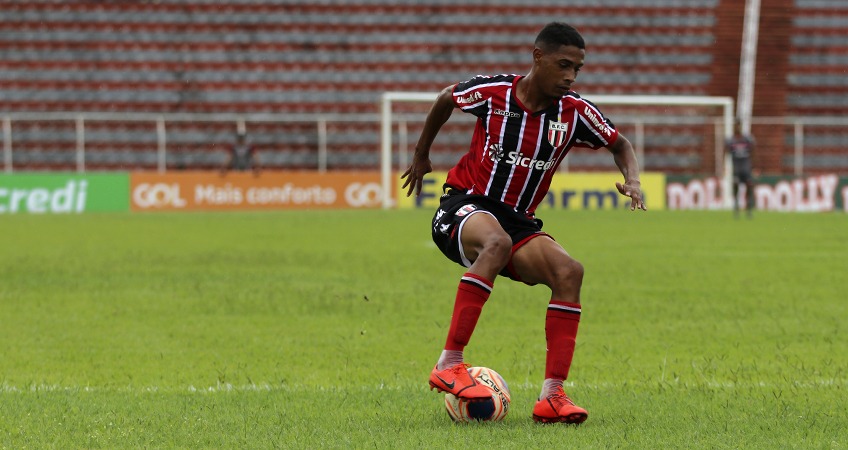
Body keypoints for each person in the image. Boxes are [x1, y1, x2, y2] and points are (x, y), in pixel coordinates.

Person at [401, 22, 646, 425]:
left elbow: (621, 144)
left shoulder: (575, 113)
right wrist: (421, 155)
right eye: (563, 65)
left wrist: (632, 178)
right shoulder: (495, 92)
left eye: (578, 69)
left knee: (570, 272)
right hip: (464, 205)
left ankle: (552, 396)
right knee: (494, 243)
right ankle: (449, 363)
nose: (570, 76)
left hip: (519, 222)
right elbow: (447, 97)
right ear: (538, 57)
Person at [725, 120, 755, 218]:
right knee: (736, 186)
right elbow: (725, 153)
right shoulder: (730, 140)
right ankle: (736, 208)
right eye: (736, 126)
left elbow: (754, 152)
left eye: (739, 126)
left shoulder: (747, 139)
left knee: (749, 186)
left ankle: (748, 209)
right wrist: (724, 167)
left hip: (746, 168)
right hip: (736, 168)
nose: (737, 128)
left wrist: (755, 167)